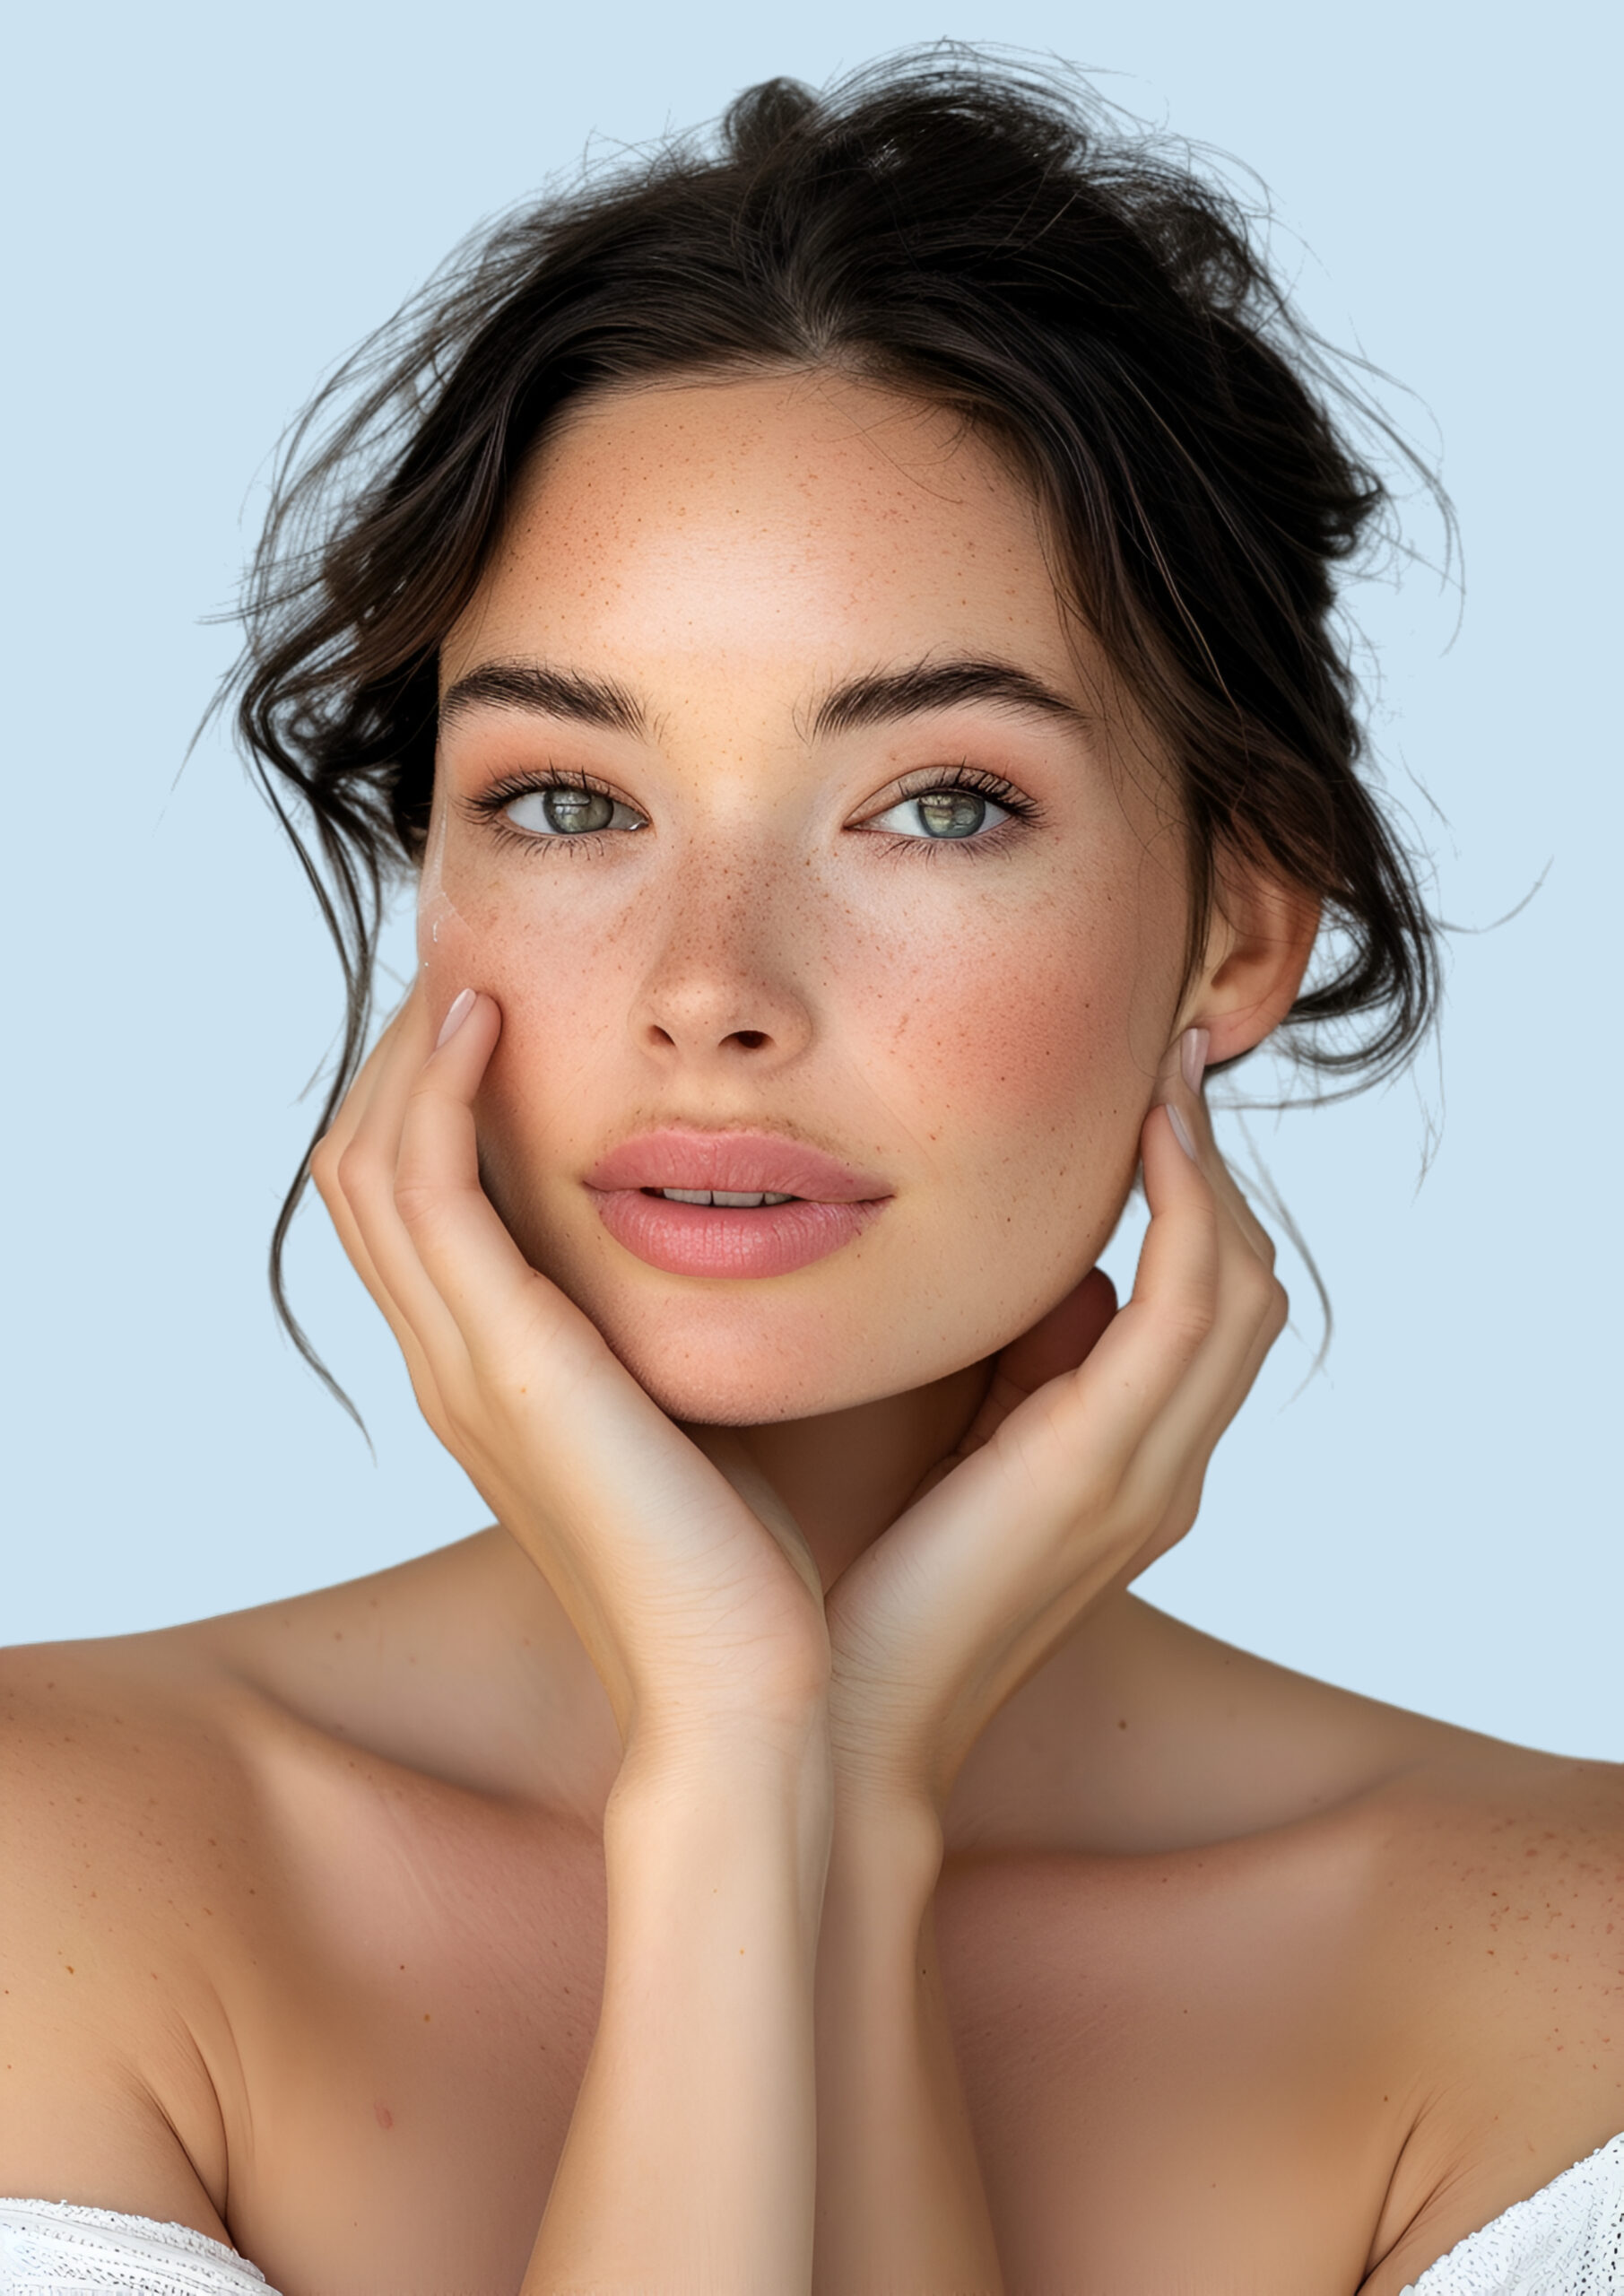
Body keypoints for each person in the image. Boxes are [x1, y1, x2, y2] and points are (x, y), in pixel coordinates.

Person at [2, 51, 1619, 2296]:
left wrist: (833, 1785)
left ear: (1238, 931)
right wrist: (748, 1755)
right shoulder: (40, 1857)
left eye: (937, 801)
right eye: (567, 799)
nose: (710, 987)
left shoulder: (1577, 1987)